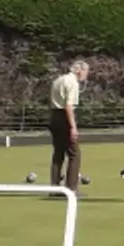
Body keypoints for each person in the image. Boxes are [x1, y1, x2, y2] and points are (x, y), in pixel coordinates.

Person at [49, 60, 88, 194]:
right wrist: (73, 127)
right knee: (74, 154)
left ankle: (54, 188)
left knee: (58, 153)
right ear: (79, 70)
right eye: (85, 71)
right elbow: (68, 106)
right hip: (64, 117)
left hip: (54, 116)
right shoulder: (73, 83)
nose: (86, 75)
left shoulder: (58, 80)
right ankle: (71, 188)